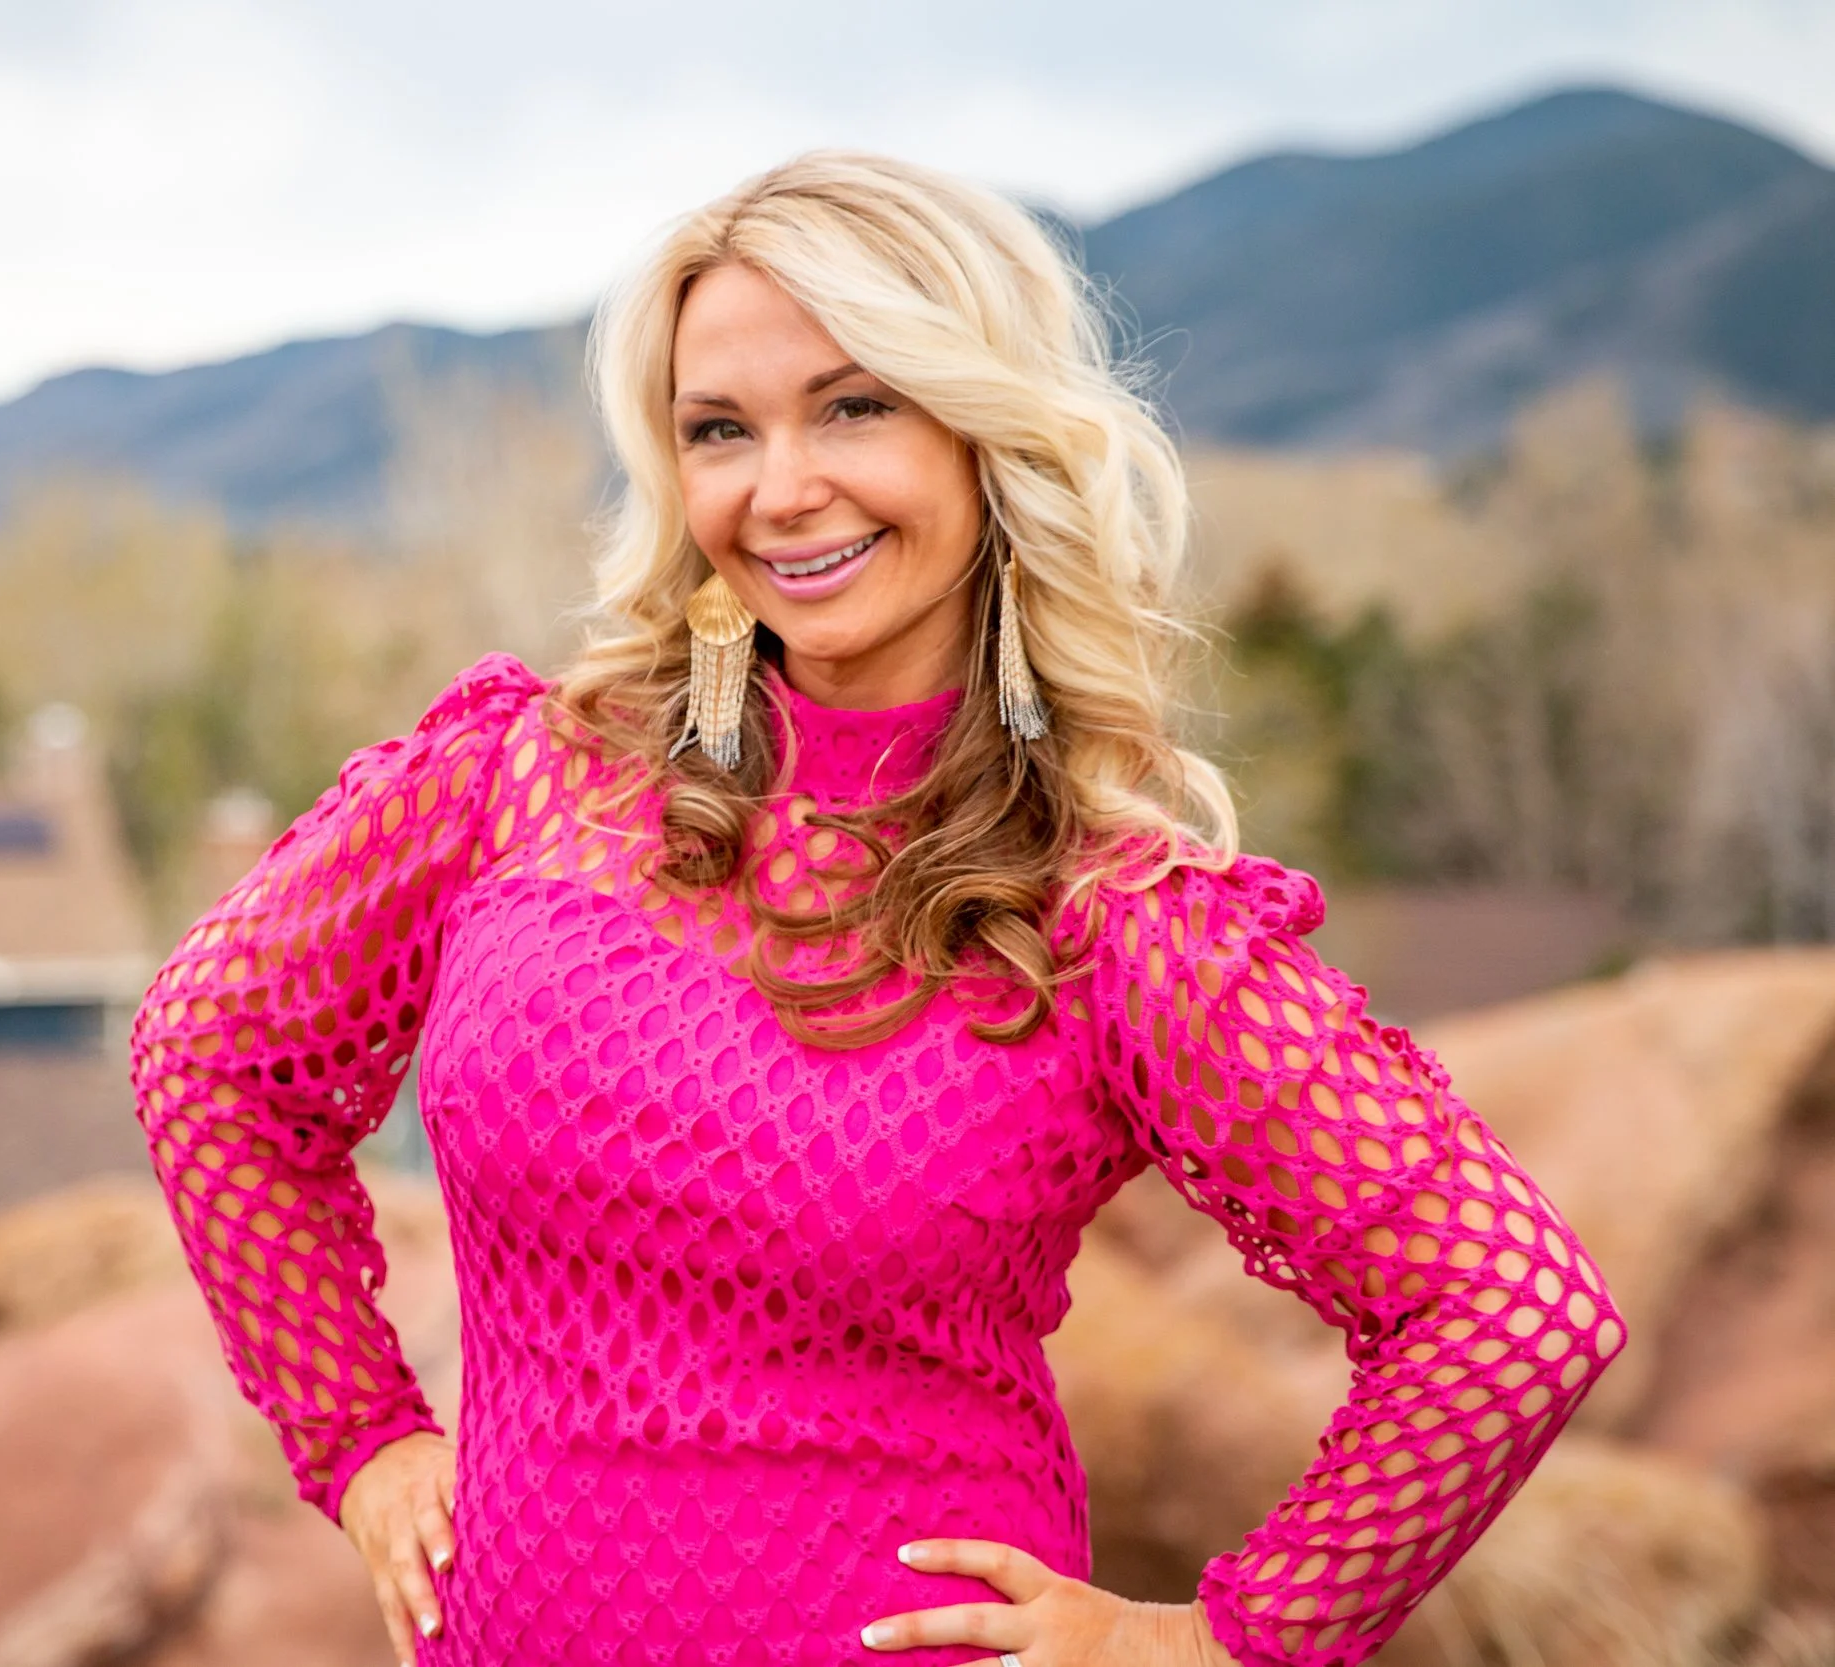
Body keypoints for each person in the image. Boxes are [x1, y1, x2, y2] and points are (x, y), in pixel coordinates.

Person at [127, 152, 1627, 1667]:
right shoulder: (520, 778)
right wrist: (361, 1436)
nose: (782, 490)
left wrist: (1219, 1640)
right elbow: (207, 1053)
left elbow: (1510, 1313)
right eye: (720, 429)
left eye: (855, 407)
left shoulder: (1116, 918)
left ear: (986, 435)